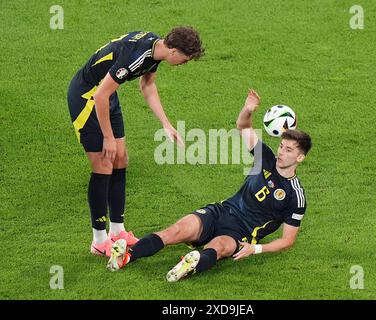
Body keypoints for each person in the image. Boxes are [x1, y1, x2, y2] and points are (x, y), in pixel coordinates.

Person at [106, 90, 312, 281]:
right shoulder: (265, 157)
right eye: (281, 146)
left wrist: (255, 249)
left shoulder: (295, 196)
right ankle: (127, 256)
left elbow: (287, 240)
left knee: (219, 247)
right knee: (176, 230)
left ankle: (190, 263)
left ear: (300, 157)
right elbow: (243, 126)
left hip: (242, 232)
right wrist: (248, 109)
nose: (281, 152)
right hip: (221, 211)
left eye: (289, 150)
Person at [67, 27, 204, 256]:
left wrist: (166, 123)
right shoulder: (135, 55)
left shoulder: (155, 51)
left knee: (121, 159)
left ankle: (118, 231)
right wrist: (108, 138)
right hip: (87, 96)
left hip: (107, 95)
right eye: (185, 58)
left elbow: (147, 86)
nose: (185, 63)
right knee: (103, 163)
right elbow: (99, 95)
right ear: (173, 50)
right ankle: (99, 240)